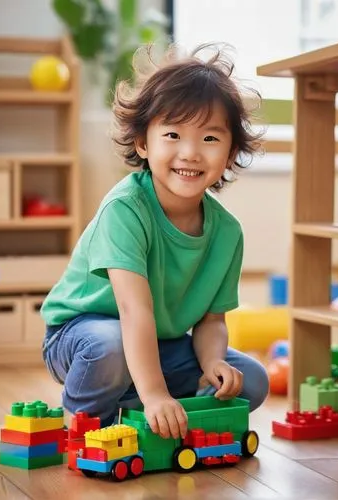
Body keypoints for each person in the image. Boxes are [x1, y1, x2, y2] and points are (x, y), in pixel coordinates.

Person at [41, 43, 269, 440]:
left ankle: (142, 409)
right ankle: (83, 426)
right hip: (83, 336)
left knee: (250, 379)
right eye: (172, 134)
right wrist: (155, 393)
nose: (190, 153)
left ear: (231, 150)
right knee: (110, 347)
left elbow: (212, 320)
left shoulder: (227, 231)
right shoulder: (126, 209)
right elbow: (133, 311)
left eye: (210, 139)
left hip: (160, 346)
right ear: (144, 143)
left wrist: (213, 360)